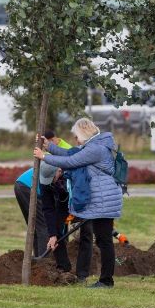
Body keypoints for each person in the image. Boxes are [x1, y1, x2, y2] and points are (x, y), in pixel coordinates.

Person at [33, 118, 122, 288]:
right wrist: (49, 147)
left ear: (83, 133)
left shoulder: (96, 149)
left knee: (104, 240)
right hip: (102, 199)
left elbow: (70, 162)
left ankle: (106, 281)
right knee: (103, 239)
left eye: (76, 135)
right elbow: (71, 153)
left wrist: (44, 157)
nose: (75, 139)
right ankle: (106, 280)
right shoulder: (94, 145)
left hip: (104, 200)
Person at [39, 130, 74, 273]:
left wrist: (56, 231)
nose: (50, 182)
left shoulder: (69, 177)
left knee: (63, 230)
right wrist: (53, 234)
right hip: (59, 200)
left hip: (73, 200)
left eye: (52, 179)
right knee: (55, 231)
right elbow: (47, 208)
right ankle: (64, 267)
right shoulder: (45, 181)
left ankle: (81, 271)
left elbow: (63, 208)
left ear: (59, 171)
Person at [14, 163, 56, 257]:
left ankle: (38, 259)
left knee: (37, 226)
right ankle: (44, 262)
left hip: (22, 183)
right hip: (29, 186)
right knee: (44, 225)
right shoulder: (63, 173)